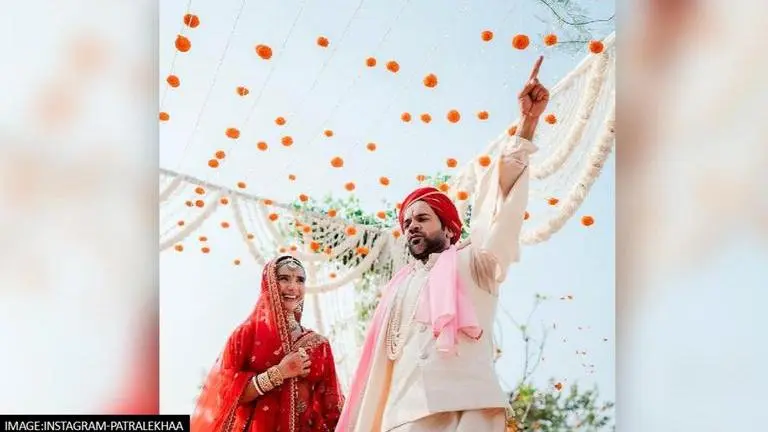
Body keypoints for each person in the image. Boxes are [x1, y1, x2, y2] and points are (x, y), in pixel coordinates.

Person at [337, 57, 549, 431]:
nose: (412, 227)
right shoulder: (398, 284)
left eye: (422, 218)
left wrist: (526, 127)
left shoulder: (476, 261)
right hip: (401, 414)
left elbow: (499, 206)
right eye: (406, 223)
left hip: (468, 409)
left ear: (449, 228)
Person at [192, 255, 344, 432]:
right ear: (269, 283)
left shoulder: (319, 345)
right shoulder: (245, 334)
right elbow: (227, 394)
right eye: (284, 278)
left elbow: (332, 408)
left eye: (300, 280)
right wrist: (279, 373)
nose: (293, 287)